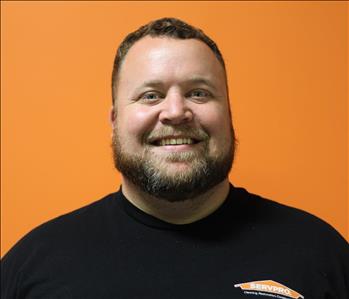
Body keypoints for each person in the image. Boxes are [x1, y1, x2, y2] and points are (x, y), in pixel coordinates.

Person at [1, 17, 348, 299]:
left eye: (199, 93)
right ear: (114, 121)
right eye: (151, 95)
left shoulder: (321, 256)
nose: (176, 111)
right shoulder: (33, 266)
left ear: (229, 115)